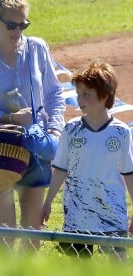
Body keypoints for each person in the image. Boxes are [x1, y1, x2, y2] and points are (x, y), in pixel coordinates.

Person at [0, 0, 65, 250]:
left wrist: (54, 131)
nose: (18, 32)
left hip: (37, 147)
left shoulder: (38, 48)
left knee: (34, 232)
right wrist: (10, 118)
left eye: (24, 25)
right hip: (0, 148)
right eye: (12, 25)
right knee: (5, 230)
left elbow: (55, 95)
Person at [41, 59, 133, 260]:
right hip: (76, 215)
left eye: (86, 94)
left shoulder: (121, 132)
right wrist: (47, 202)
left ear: (105, 95)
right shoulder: (71, 129)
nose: (80, 99)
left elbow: (129, 174)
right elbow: (60, 169)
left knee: (118, 268)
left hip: (112, 216)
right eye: (78, 93)